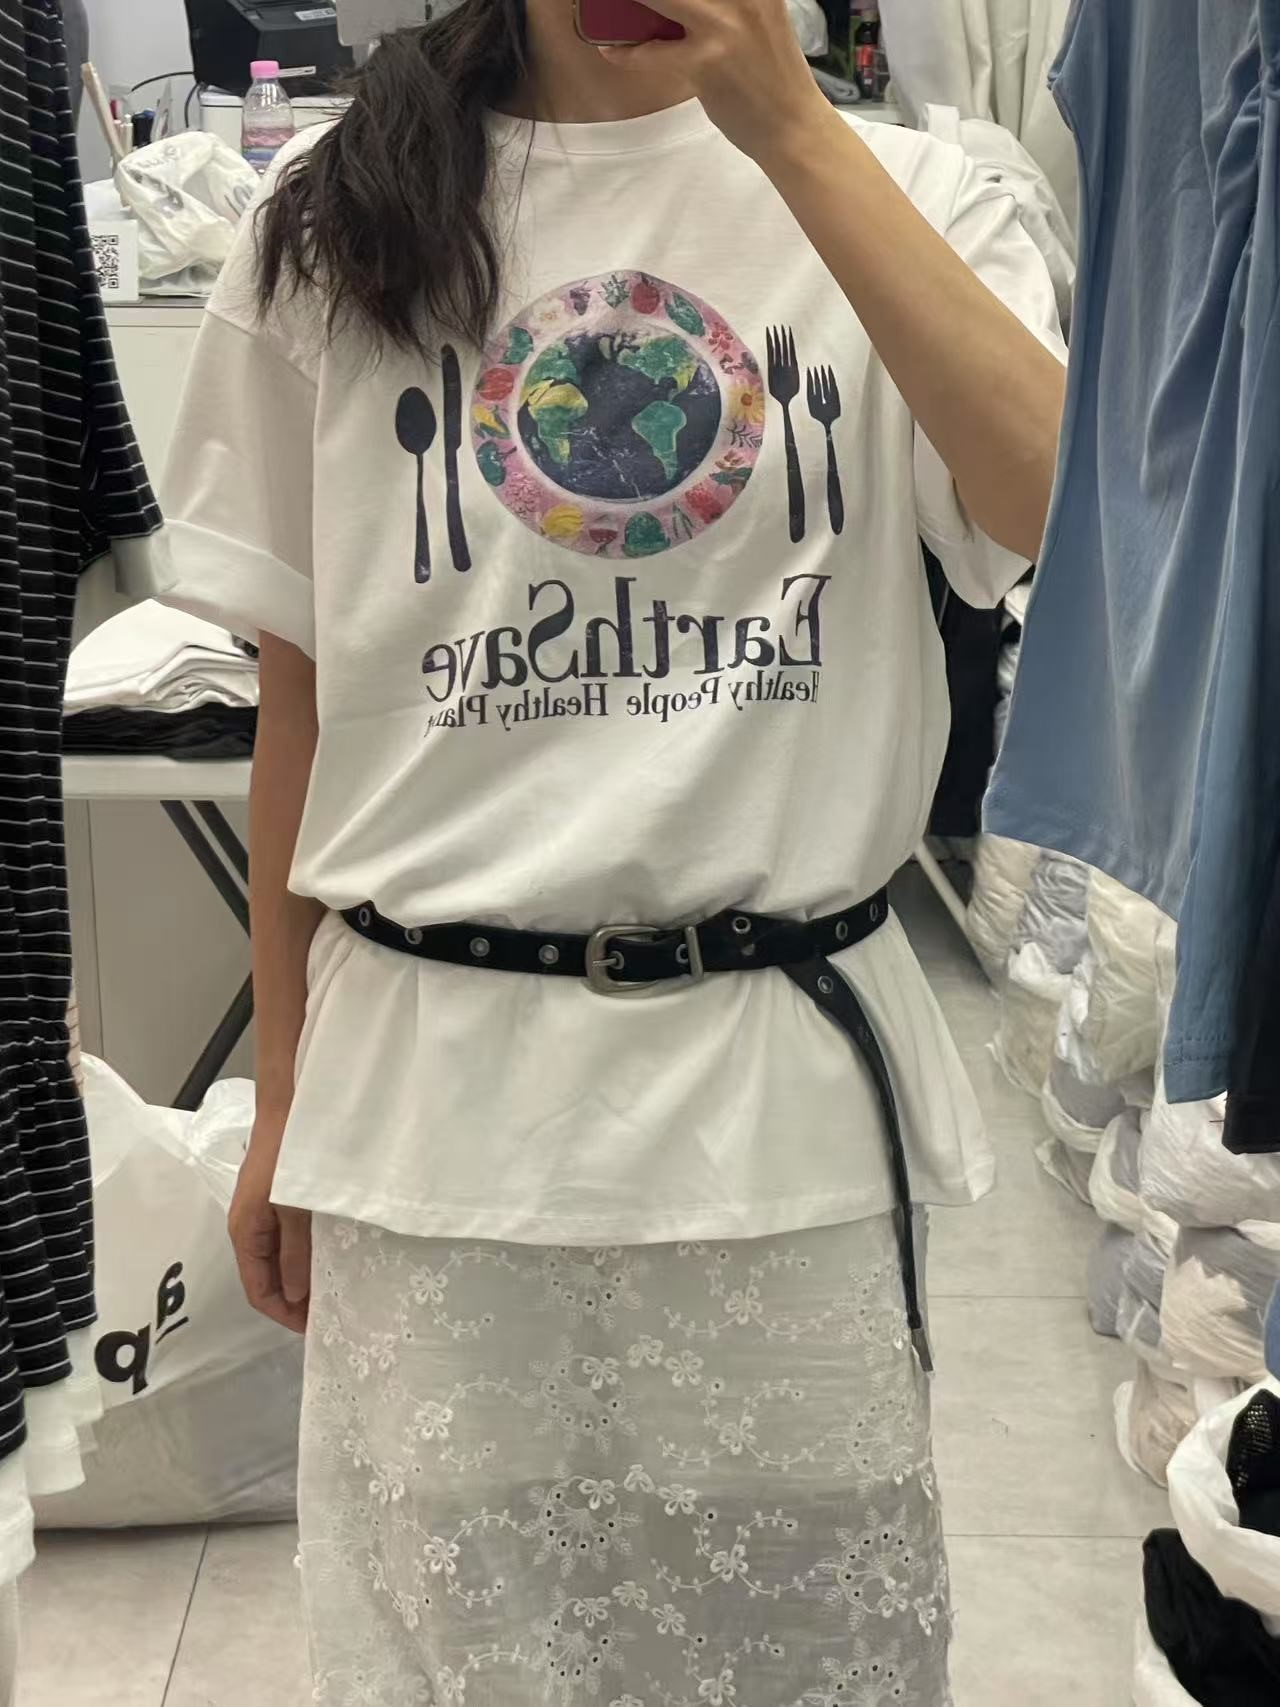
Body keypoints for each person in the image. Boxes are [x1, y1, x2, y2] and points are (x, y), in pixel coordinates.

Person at [154, 0, 1066, 1699]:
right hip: (434, 1104)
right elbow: (303, 691)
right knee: (469, 1647)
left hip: (781, 1110)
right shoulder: (339, 214)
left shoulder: (920, 194)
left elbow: (1048, 508)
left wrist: (791, 135)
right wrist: (281, 1094)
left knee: (803, 1649)